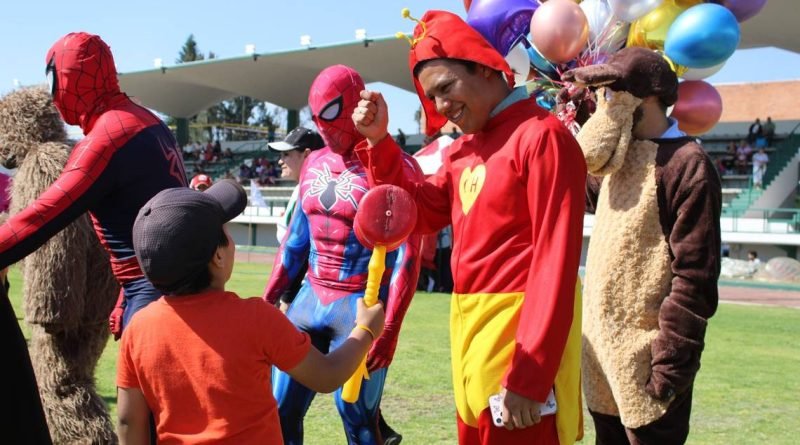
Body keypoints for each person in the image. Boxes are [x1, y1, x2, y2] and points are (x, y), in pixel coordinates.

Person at [353, 10, 585, 445]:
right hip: (470, 338)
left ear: (486, 66)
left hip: (519, 346)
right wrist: (380, 142)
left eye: (446, 88)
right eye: (431, 96)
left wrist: (529, 376)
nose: (441, 107)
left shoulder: (542, 137)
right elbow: (416, 213)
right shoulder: (463, 150)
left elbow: (555, 263)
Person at [0, 32, 188, 440]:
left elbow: (42, 217)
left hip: (151, 295)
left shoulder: (108, 134)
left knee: (138, 426)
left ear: (67, 77)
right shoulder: (149, 122)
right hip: (166, 286)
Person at [116, 179, 385, 443]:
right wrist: (365, 330)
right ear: (218, 257)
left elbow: (129, 421)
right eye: (226, 231)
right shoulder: (257, 318)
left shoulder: (138, 330)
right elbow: (326, 376)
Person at [562, 46, 721, 445]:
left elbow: (695, 278)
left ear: (647, 97)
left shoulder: (688, 164)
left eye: (612, 93)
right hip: (601, 359)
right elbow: (569, 189)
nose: (606, 104)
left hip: (649, 364)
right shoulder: (618, 157)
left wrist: (668, 368)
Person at [263, 65, 422, 445]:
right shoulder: (315, 163)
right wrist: (269, 300)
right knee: (279, 410)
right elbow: (296, 242)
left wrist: (391, 328)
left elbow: (407, 256)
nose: (323, 124)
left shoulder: (393, 165)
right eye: (316, 115)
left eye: (331, 111)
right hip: (309, 299)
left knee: (359, 418)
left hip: (359, 304)